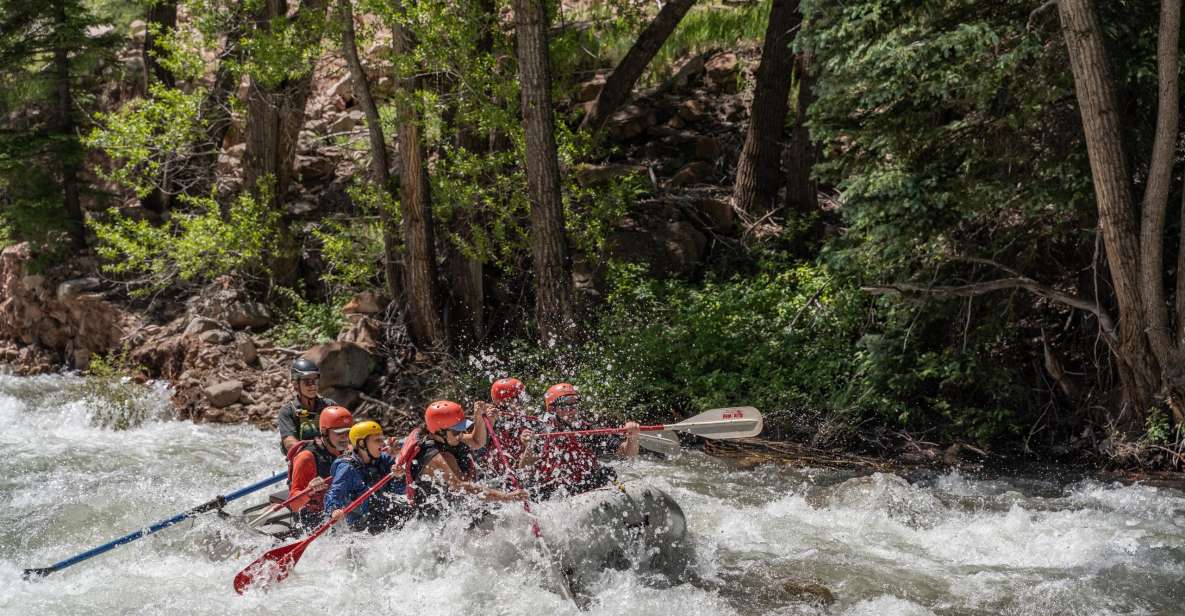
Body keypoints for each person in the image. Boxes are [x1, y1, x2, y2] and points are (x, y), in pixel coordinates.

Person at [406, 400, 525, 520]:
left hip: (458, 510)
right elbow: (461, 487)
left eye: (463, 428)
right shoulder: (435, 456)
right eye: (457, 431)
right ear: (438, 433)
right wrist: (506, 497)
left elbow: (477, 442)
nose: (462, 434)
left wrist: (479, 417)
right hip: (435, 523)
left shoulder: (451, 437)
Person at [518, 383, 640, 499]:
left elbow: (627, 453)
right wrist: (528, 446)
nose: (571, 410)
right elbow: (523, 468)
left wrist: (632, 437)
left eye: (574, 405)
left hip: (586, 482)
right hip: (555, 489)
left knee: (605, 473)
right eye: (565, 406)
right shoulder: (542, 432)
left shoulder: (588, 429)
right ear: (552, 409)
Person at [325, 420, 407, 533]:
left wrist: (399, 476)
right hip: (362, 526)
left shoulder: (384, 459)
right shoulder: (347, 468)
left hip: (385, 515)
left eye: (382, 439)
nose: (382, 444)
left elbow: (400, 490)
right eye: (377, 440)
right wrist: (334, 510)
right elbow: (334, 493)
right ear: (362, 444)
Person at [285, 405, 352, 530]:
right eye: (339, 433)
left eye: (348, 432)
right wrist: (309, 491)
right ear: (325, 432)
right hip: (313, 518)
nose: (345, 437)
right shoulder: (306, 458)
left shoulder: (349, 451)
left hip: (340, 511)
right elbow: (293, 504)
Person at [277, 357, 337, 454]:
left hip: (331, 456)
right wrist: (312, 448)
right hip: (304, 460)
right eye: (307, 382)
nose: (313, 385)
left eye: (315, 381)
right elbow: (289, 442)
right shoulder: (287, 411)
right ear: (296, 384)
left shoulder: (329, 405)